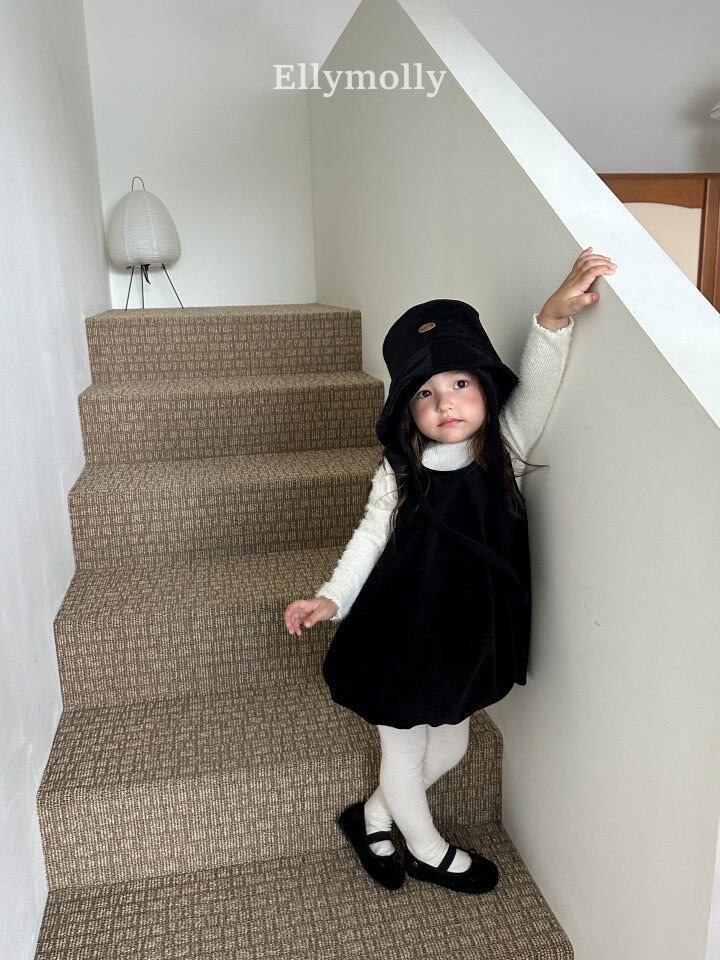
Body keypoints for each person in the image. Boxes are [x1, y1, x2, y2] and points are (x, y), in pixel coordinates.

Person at [284, 248, 617, 894]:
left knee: (455, 746)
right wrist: (331, 597)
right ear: (407, 411)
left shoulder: (504, 449)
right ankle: (428, 850)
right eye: (426, 394)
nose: (446, 403)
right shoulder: (400, 472)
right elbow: (369, 538)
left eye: (460, 383)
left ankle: (371, 817)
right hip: (398, 633)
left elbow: (538, 390)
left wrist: (552, 319)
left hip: (462, 637)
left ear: (485, 387)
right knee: (404, 749)